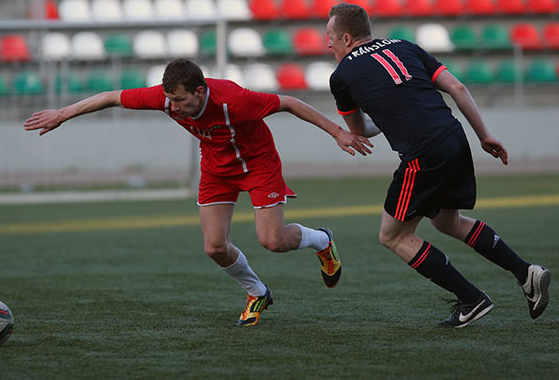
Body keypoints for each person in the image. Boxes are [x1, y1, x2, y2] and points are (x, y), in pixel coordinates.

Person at [24, 58, 375, 326]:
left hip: (258, 164)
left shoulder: (236, 100)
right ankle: (257, 292)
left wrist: (337, 132)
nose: (173, 107)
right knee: (214, 247)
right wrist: (63, 114)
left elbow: (290, 103)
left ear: (201, 92)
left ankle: (322, 241)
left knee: (272, 240)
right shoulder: (166, 99)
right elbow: (111, 97)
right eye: (169, 99)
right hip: (217, 169)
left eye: (180, 100)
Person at [325, 3, 551, 327]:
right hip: (454, 137)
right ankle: (526, 272)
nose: (328, 45)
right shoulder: (405, 46)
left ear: (346, 38)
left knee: (393, 236)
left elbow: (359, 130)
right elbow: (457, 88)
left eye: (330, 38)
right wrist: (484, 135)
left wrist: (384, 117)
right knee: (447, 222)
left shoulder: (341, 76)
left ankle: (472, 299)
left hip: (423, 154)